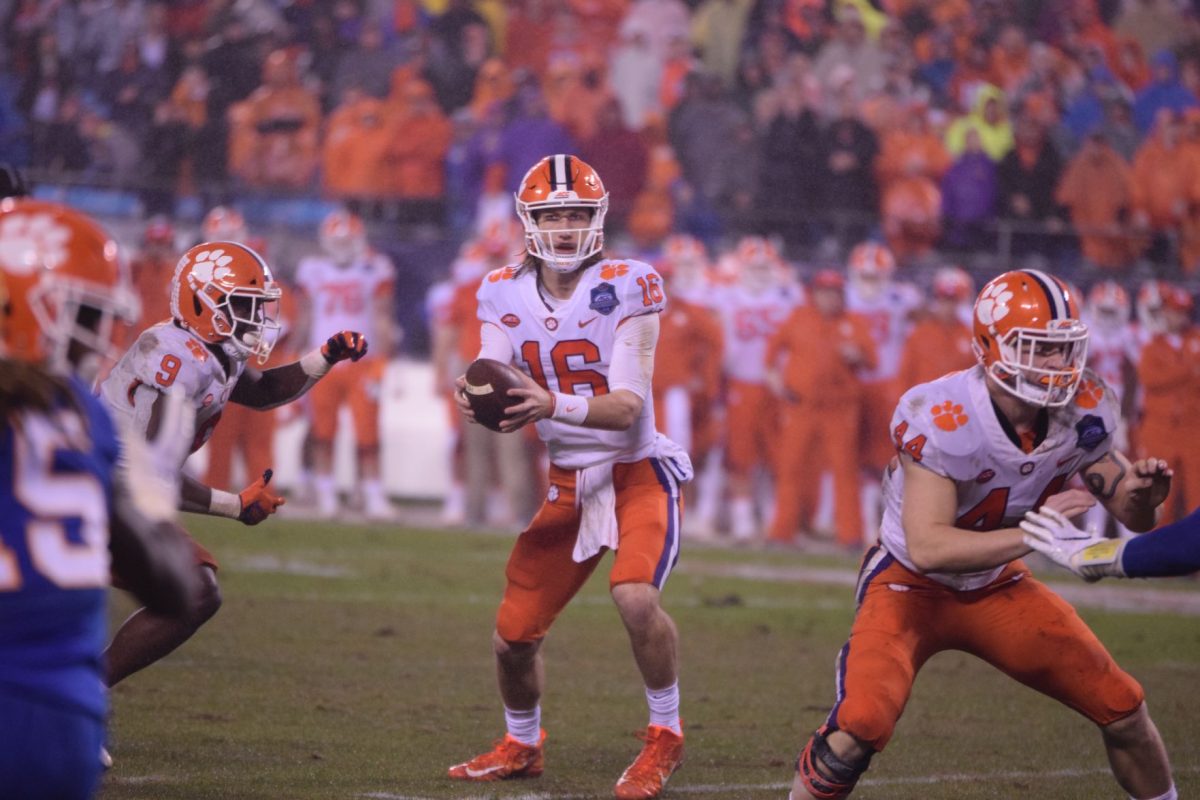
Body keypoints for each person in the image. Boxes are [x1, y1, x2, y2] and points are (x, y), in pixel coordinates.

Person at [791, 269, 1178, 800]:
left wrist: (1140, 495)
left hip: (997, 585)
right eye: (1037, 348)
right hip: (908, 586)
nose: (1055, 365)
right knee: (859, 727)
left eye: (1062, 350)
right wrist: (1036, 536)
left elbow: (1135, 519)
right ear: (988, 345)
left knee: (1123, 707)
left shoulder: (1085, 406)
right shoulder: (943, 414)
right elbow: (929, 548)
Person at [448, 154, 690, 799]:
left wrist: (551, 403)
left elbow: (628, 406)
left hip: (636, 470)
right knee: (512, 641)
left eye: (576, 214)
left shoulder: (630, 283)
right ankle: (522, 745)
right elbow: (487, 370)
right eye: (552, 214)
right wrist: (474, 394)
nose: (563, 227)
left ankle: (665, 735)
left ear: (598, 218)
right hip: (569, 480)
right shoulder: (500, 289)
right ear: (528, 221)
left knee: (635, 595)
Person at [97, 240, 369, 697]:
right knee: (189, 591)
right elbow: (151, 472)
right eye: (243, 305)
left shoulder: (209, 350)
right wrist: (234, 504)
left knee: (193, 590)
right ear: (202, 302)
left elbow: (263, 392)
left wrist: (326, 356)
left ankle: (76, 692)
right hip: (92, 489)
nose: (256, 318)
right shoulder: (176, 354)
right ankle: (72, 697)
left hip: (113, 494)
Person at [0, 198, 198, 799]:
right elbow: (173, 589)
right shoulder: (81, 417)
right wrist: (154, 482)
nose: (92, 340)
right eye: (81, 314)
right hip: (66, 721)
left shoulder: (77, 412)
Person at [294, 209, 398, 519]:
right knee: (322, 431)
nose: (341, 246)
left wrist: (386, 358)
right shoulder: (313, 269)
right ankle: (326, 492)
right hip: (322, 360)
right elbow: (305, 316)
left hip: (362, 361)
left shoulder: (373, 268)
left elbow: (382, 317)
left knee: (368, 432)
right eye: (337, 241)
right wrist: (293, 353)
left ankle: (373, 493)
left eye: (347, 240)